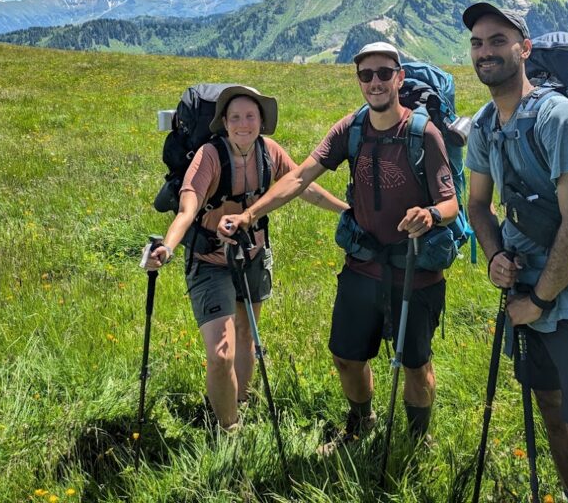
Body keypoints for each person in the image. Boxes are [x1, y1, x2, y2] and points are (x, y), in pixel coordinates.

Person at [221, 42, 460, 448]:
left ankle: (418, 440)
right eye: (366, 75)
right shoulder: (350, 129)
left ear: (400, 78)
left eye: (384, 73)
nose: (375, 82)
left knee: (417, 366)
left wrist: (431, 216)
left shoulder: (424, 133)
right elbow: (299, 178)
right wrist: (250, 215)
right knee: (347, 358)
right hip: (362, 265)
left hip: (415, 272)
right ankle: (361, 421)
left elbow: (450, 202)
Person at [463, 2, 568, 503]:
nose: (485, 51)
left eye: (497, 40)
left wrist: (538, 300)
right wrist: (494, 257)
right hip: (527, 298)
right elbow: (476, 205)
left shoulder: (560, 118)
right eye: (476, 43)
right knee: (553, 420)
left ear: (524, 49)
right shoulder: (485, 124)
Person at [144, 84, 346, 430]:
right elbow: (187, 209)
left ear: (261, 120)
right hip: (209, 261)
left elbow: (303, 187)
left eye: (250, 116)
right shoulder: (209, 155)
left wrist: (347, 211)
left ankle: (241, 404)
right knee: (220, 352)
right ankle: (229, 430)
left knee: (245, 335)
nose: (243, 124)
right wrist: (168, 247)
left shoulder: (269, 152)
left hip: (251, 256)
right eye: (235, 117)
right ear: (223, 122)